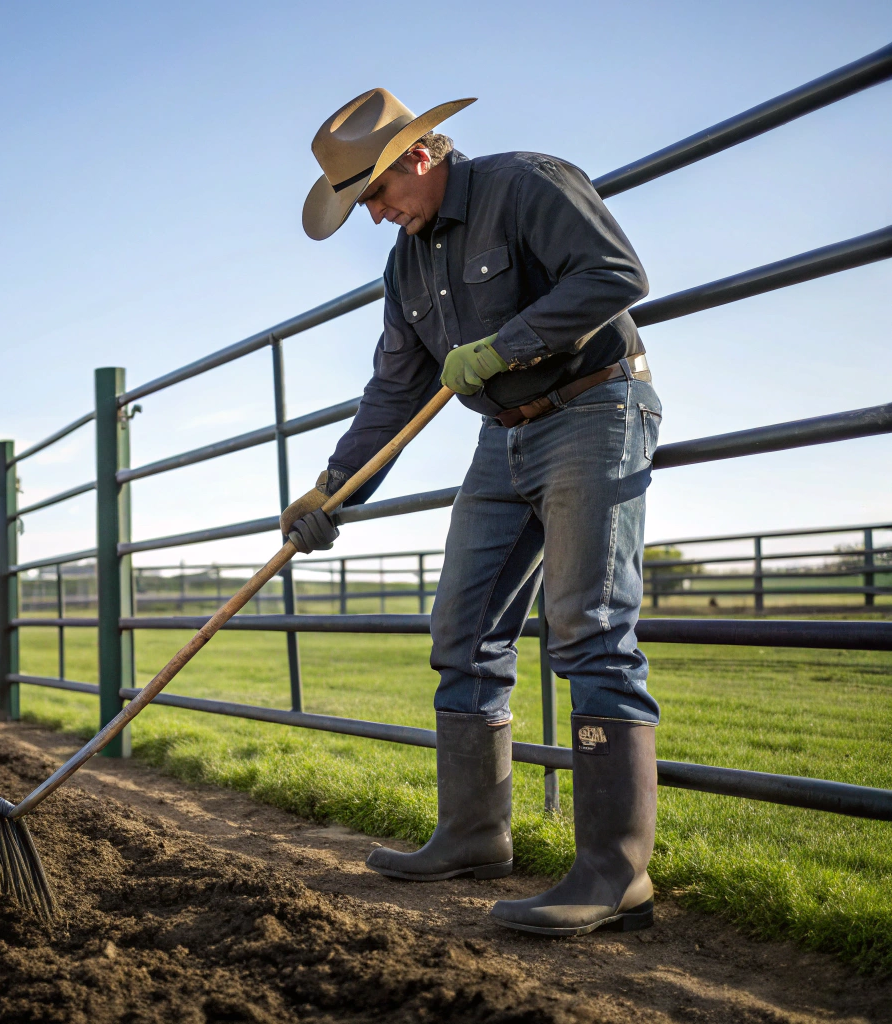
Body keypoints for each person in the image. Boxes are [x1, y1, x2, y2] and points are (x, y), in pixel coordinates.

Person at [282, 89, 662, 936]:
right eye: (361, 204)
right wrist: (331, 491)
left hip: (594, 408)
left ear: (418, 156)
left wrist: (507, 343)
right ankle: (473, 831)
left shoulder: (526, 185)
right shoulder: (407, 265)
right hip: (504, 435)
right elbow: (393, 392)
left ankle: (613, 872)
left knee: (589, 630)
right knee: (461, 630)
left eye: (375, 194)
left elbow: (615, 275)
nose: (376, 215)